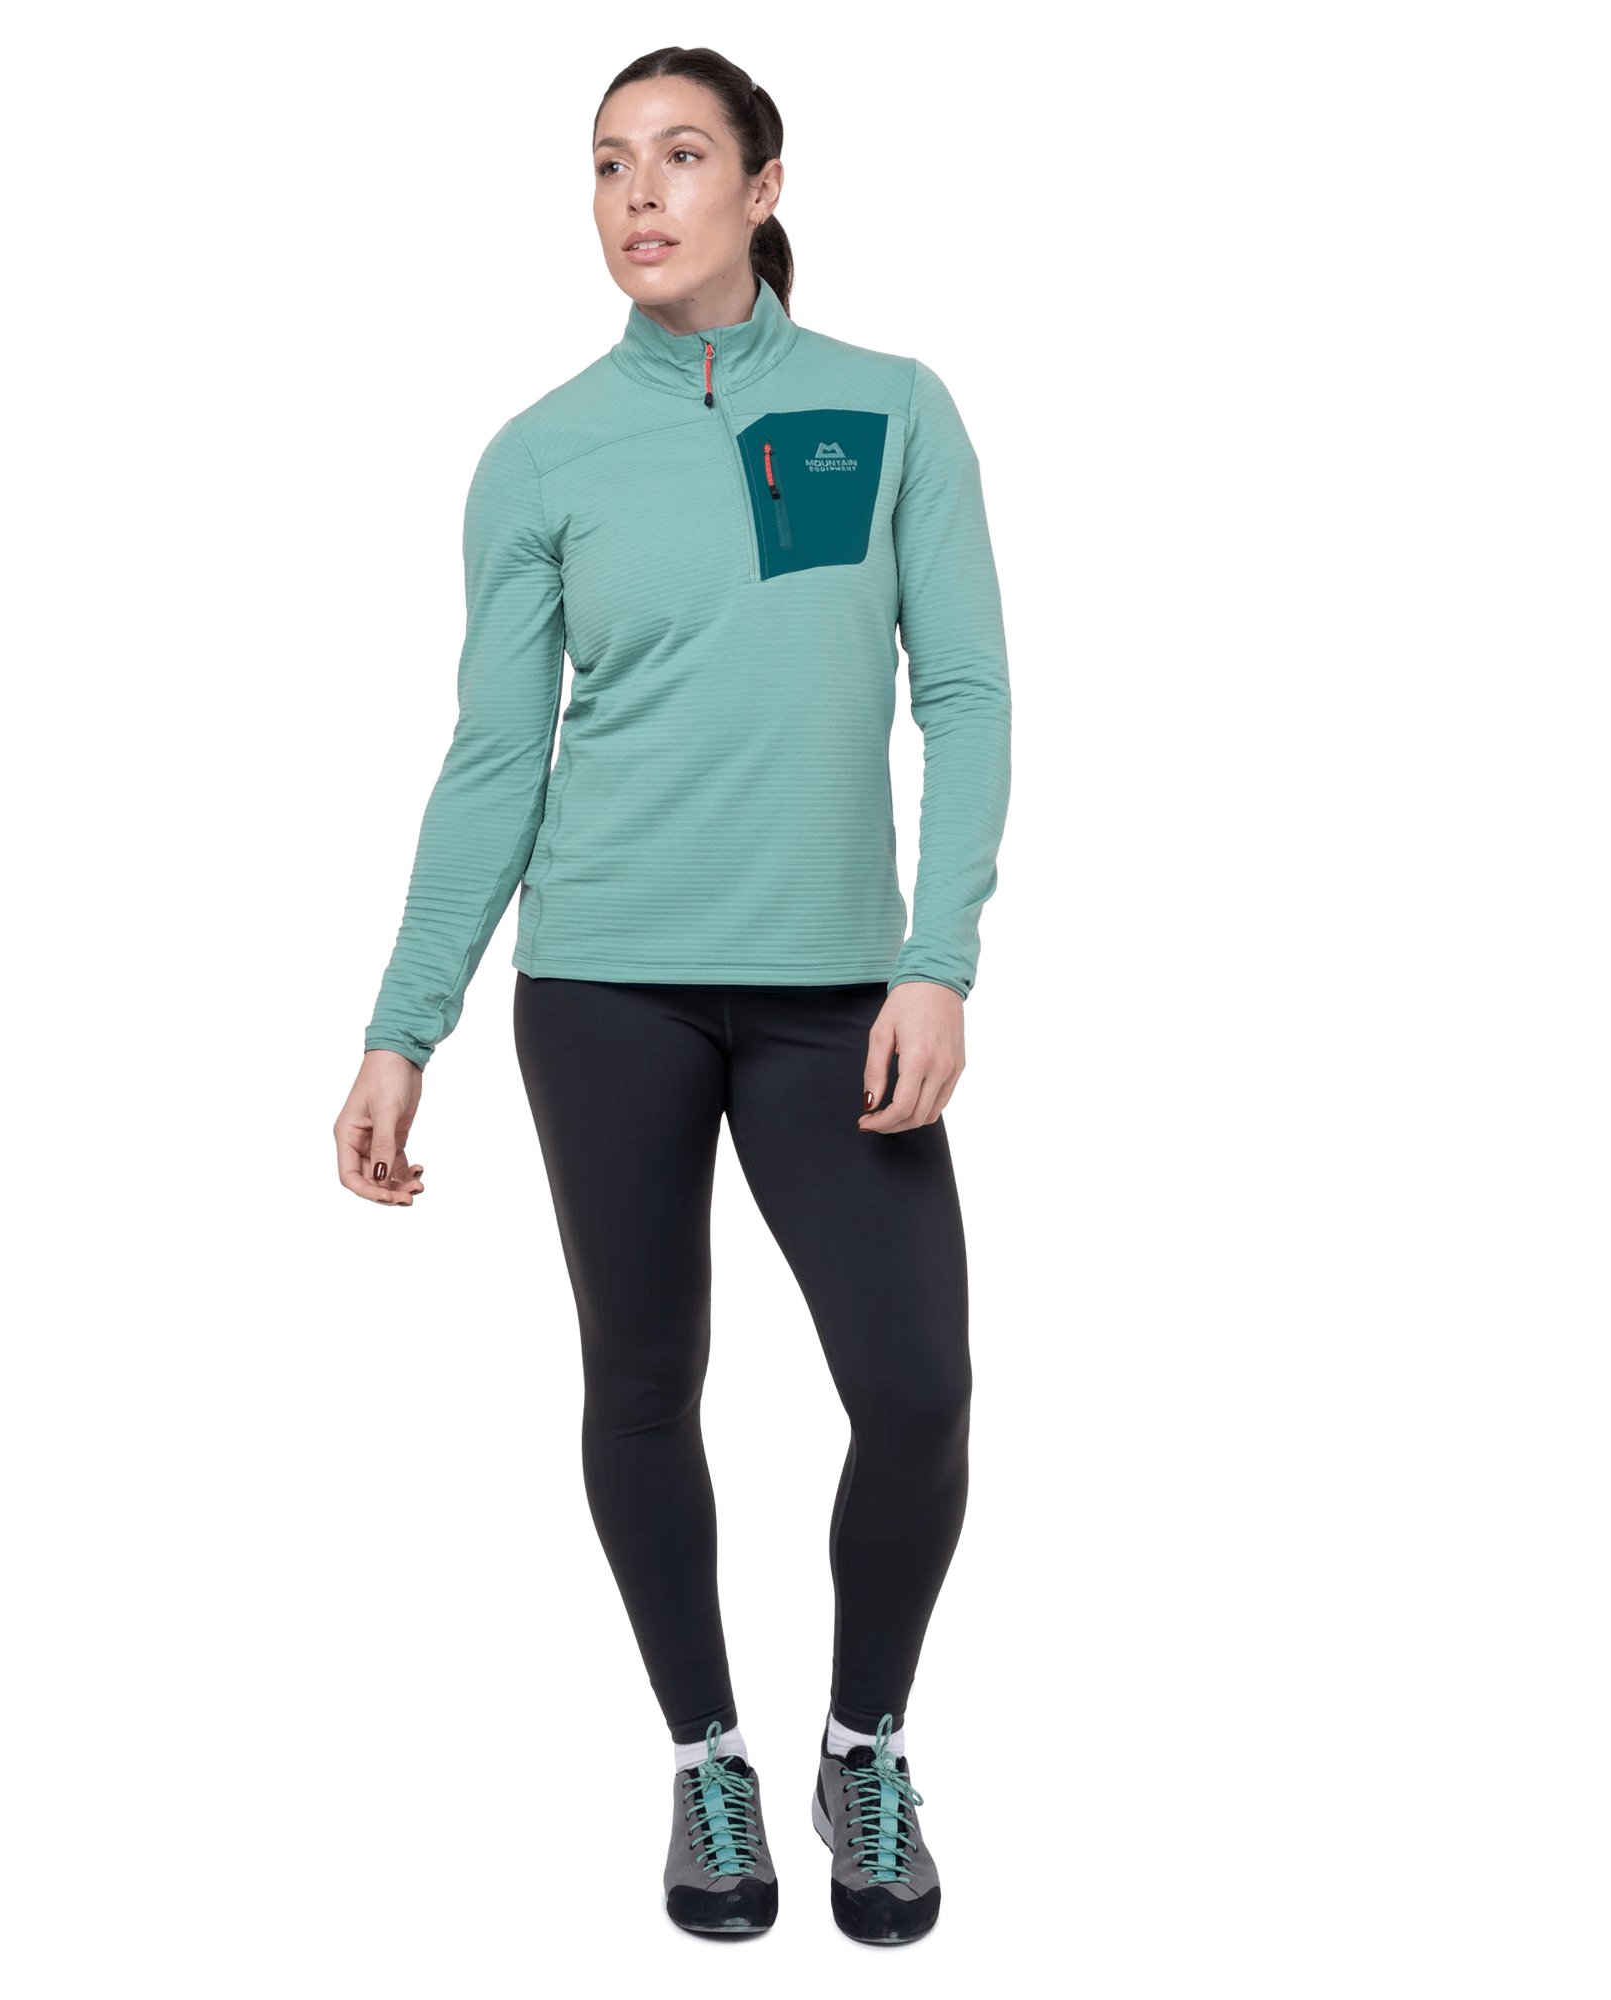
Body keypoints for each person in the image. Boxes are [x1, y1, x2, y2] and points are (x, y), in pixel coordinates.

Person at [330, 43, 1012, 1956]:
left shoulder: (892, 407)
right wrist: (403, 1023)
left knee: (918, 1389)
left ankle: (863, 1742)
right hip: (604, 986)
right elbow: (493, 759)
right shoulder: (539, 454)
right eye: (610, 162)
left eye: (683, 155)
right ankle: (707, 1759)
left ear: (764, 187)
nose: (639, 194)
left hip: (835, 995)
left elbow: (965, 696)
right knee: (642, 1379)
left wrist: (938, 960)